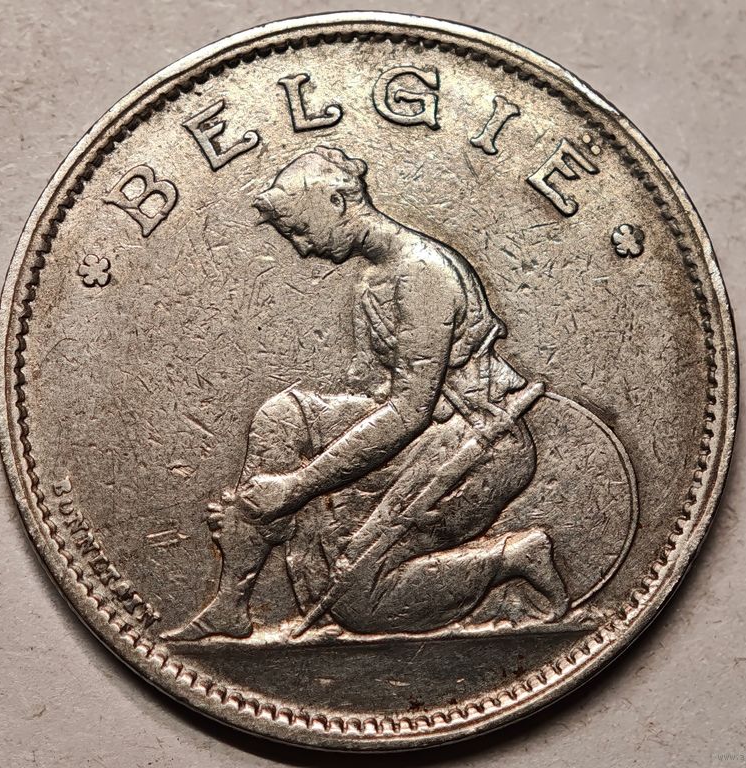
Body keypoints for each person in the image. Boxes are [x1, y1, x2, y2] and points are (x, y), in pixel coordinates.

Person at [166, 146, 569, 641]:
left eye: (300, 230)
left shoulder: (423, 273)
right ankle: (231, 603)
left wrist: (298, 486)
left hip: (479, 442)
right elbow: (380, 391)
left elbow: (409, 410)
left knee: (359, 603)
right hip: (426, 429)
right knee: (282, 417)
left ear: (338, 202)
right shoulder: (376, 274)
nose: (302, 249)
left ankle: (513, 557)